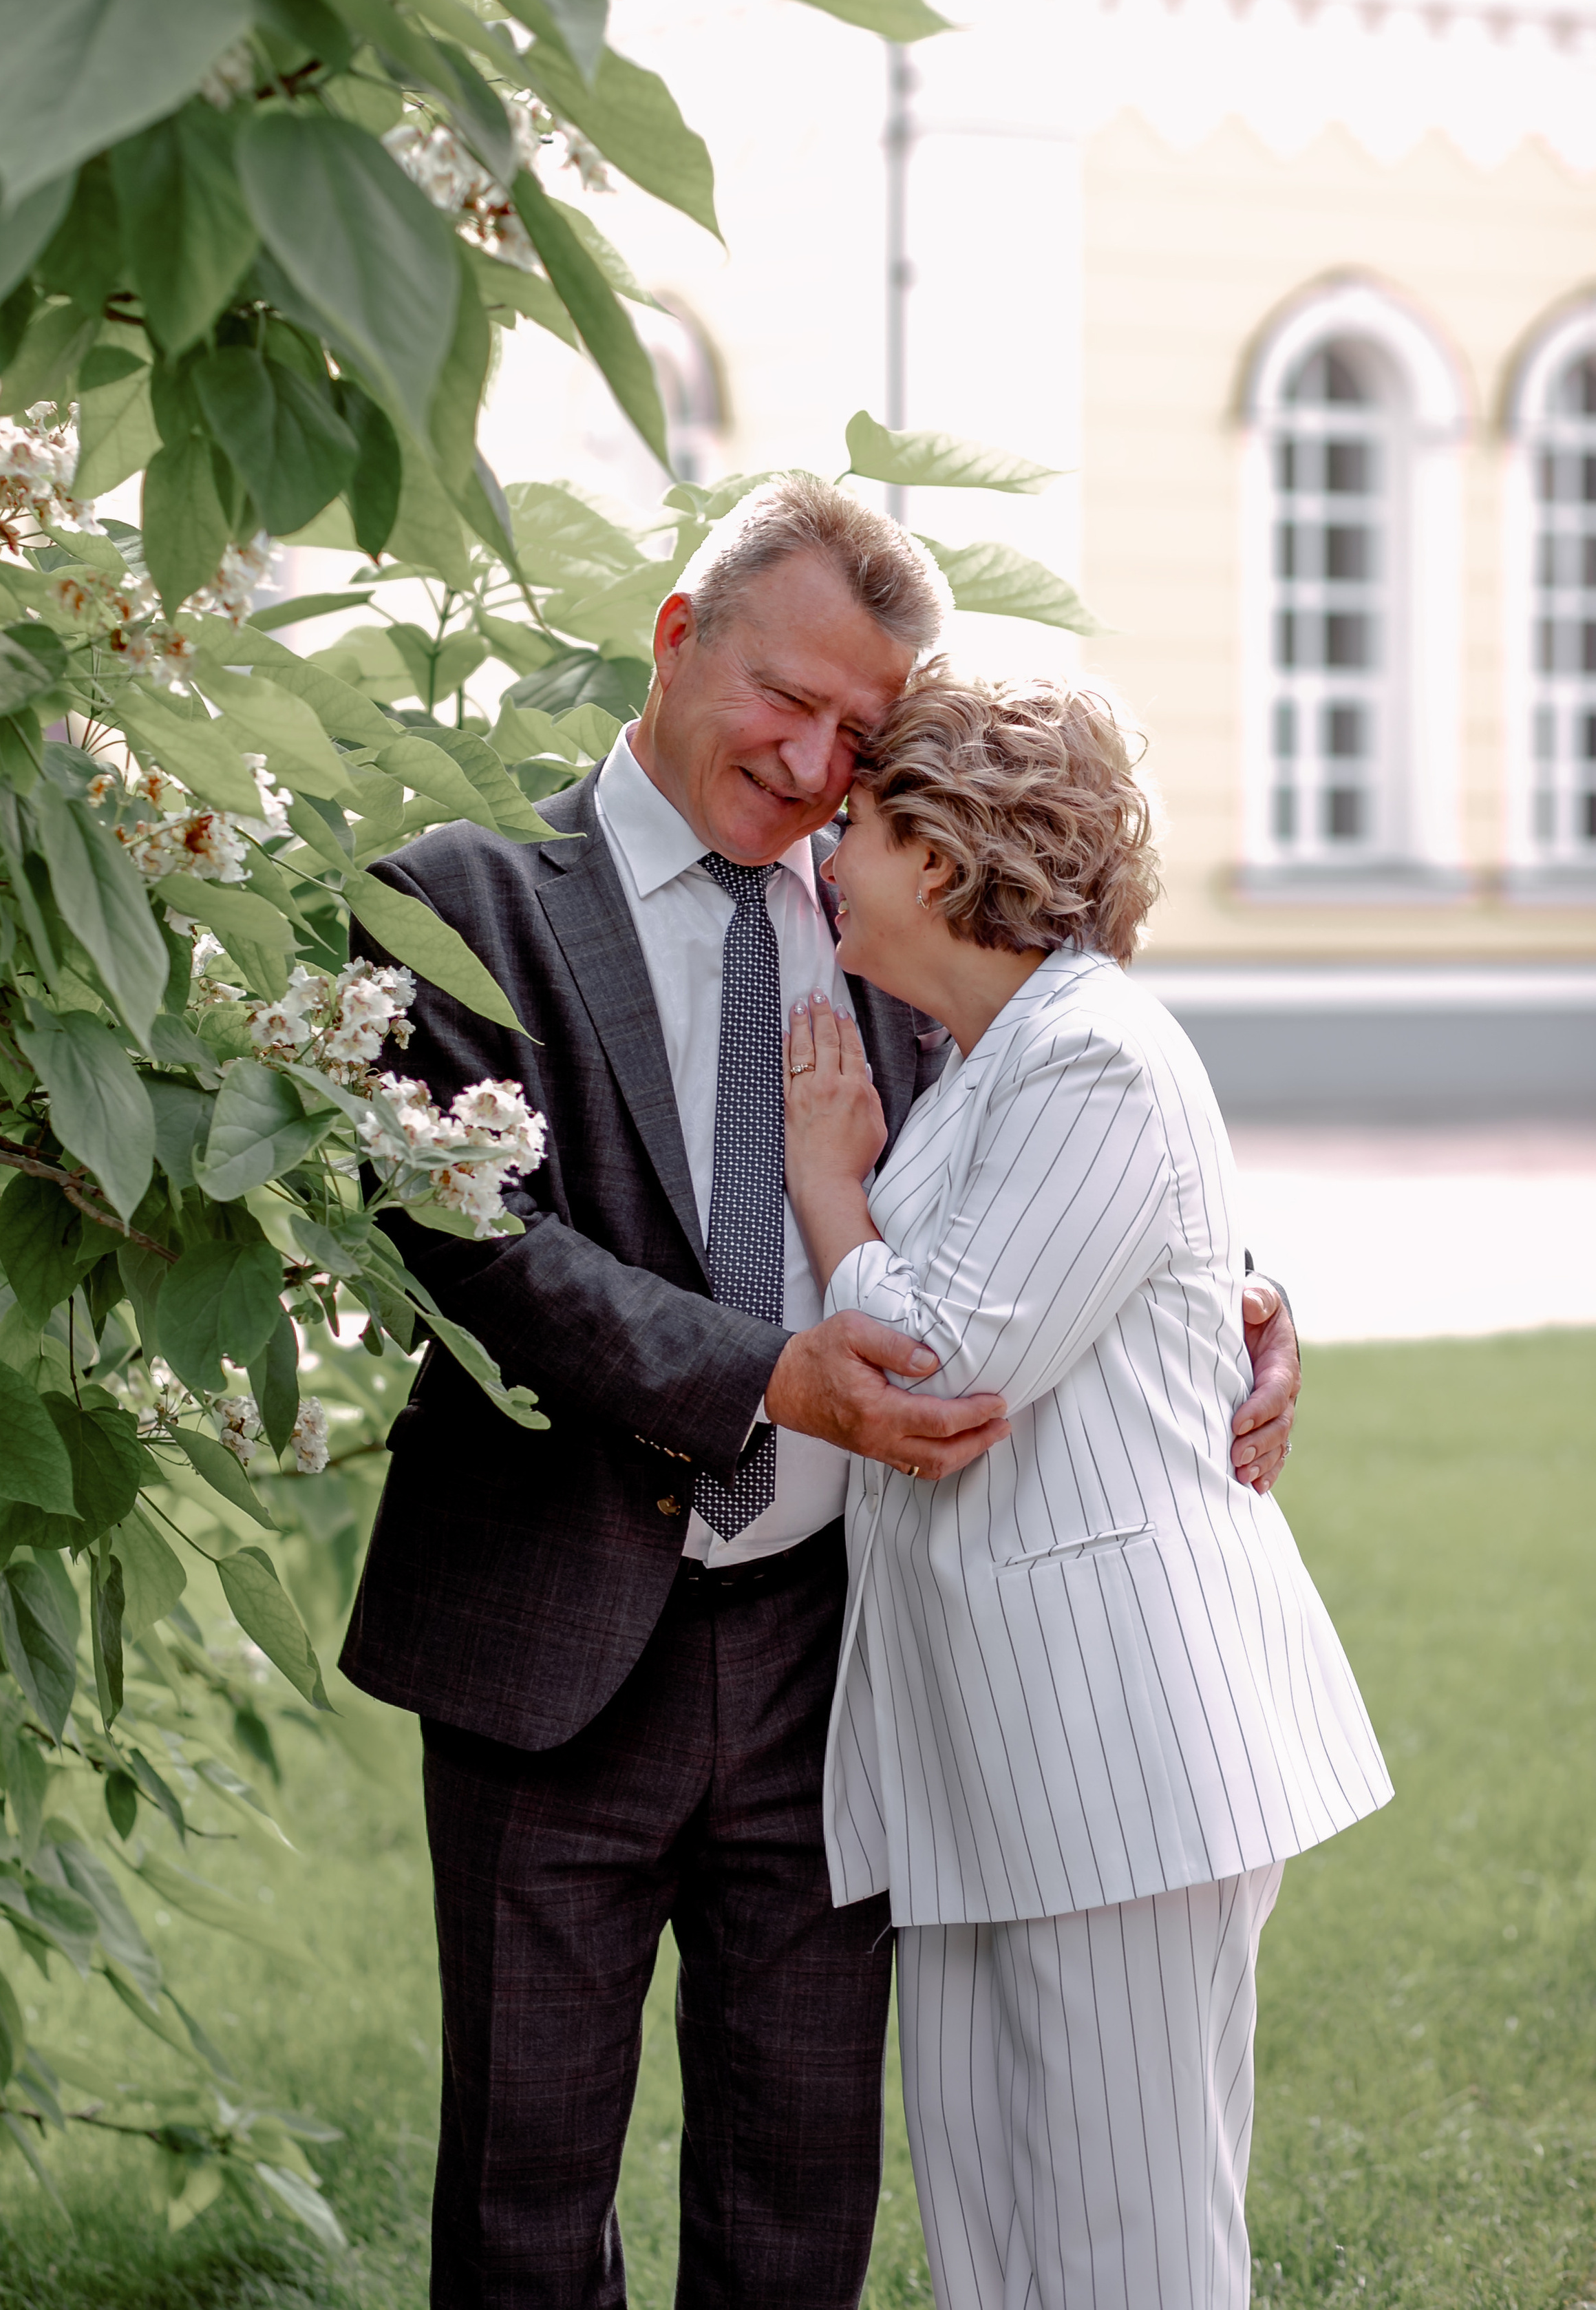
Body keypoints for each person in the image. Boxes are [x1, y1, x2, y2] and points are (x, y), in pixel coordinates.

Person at [339, 479, 1303, 2310]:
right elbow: (483, 1254)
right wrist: (772, 1375)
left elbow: (1072, 1144)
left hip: (839, 1654)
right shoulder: (459, 905)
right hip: (554, 1637)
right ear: (676, 638)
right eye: (782, 698)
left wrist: (1245, 1290)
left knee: (800, 2200)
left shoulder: (899, 927)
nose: (805, 763)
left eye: (858, 739)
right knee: (527, 2198)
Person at [781, 668, 1391, 2310]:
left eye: (850, 823)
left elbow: (943, 1376)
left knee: (1126, 2246)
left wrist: (828, 1191)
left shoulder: (1095, 1054)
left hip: (1118, 1752)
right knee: (995, 2239)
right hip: (989, 1752)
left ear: (938, 846)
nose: (823, 856)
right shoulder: (990, 1054)